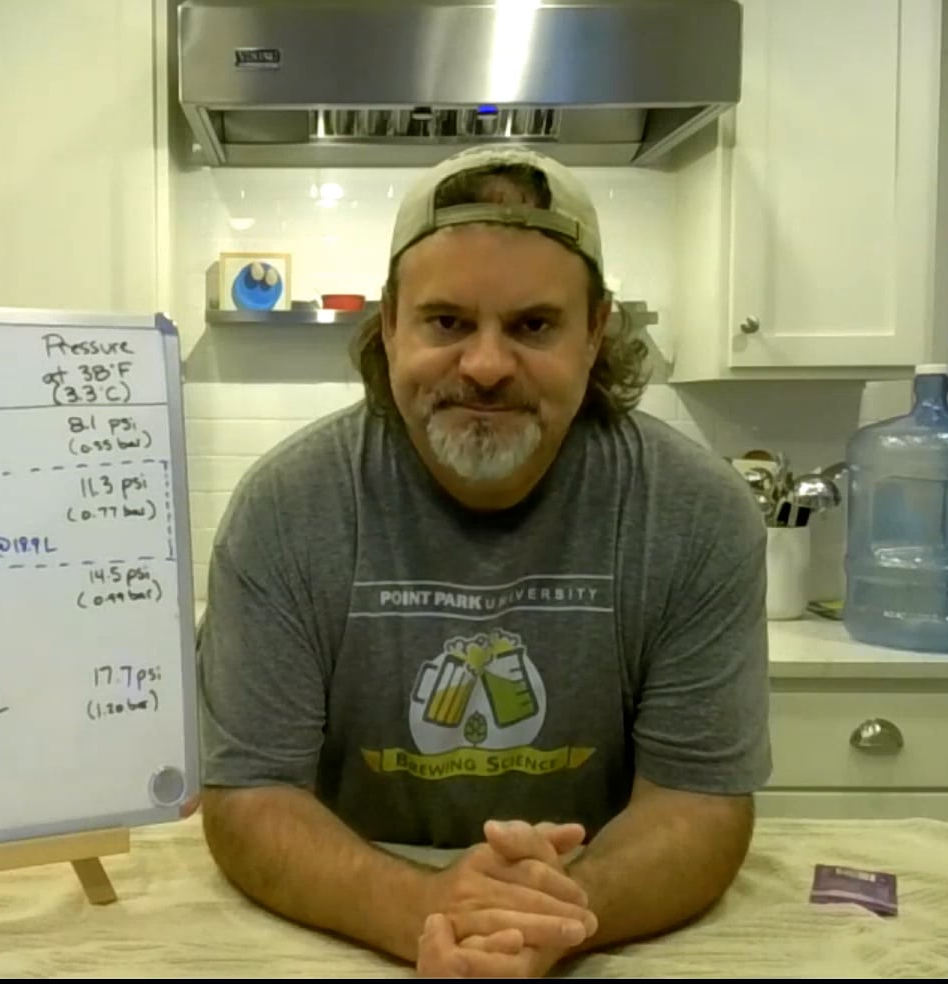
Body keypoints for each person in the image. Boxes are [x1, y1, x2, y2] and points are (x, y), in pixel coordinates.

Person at [195, 143, 771, 978]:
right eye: (447, 322)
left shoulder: (694, 513)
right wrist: (424, 910)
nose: (487, 365)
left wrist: (542, 924)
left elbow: (698, 807)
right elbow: (250, 801)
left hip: (592, 934)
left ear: (595, 331)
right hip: (347, 934)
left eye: (533, 325)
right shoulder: (286, 510)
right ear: (390, 324)